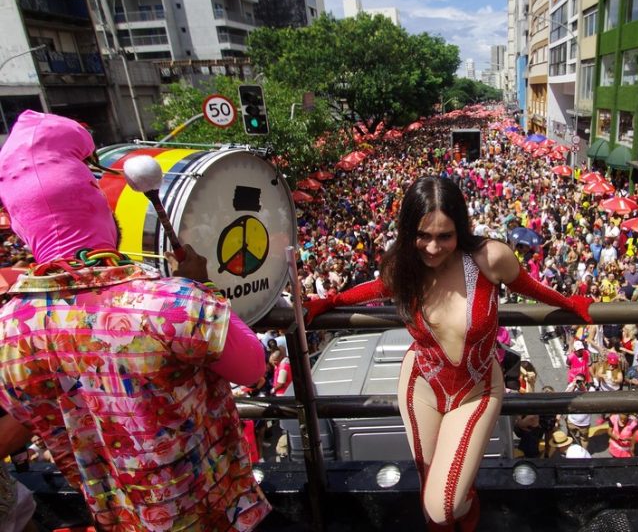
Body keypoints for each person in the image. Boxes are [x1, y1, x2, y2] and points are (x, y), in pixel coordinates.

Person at [0, 111, 270, 530]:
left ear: (22, 227)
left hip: (116, 520)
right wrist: (201, 289)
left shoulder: (8, 332)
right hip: (211, 514)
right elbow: (252, 365)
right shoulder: (169, 304)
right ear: (97, 207)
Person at [304, 176, 592, 530]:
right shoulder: (403, 267)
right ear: (408, 230)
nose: (432, 247)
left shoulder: (490, 258)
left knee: (444, 505)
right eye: (422, 235)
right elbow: (374, 288)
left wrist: (572, 304)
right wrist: (329, 302)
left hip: (478, 389)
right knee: (432, 504)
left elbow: (529, 286)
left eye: (445, 236)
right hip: (420, 384)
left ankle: (466, 507)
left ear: (461, 228)